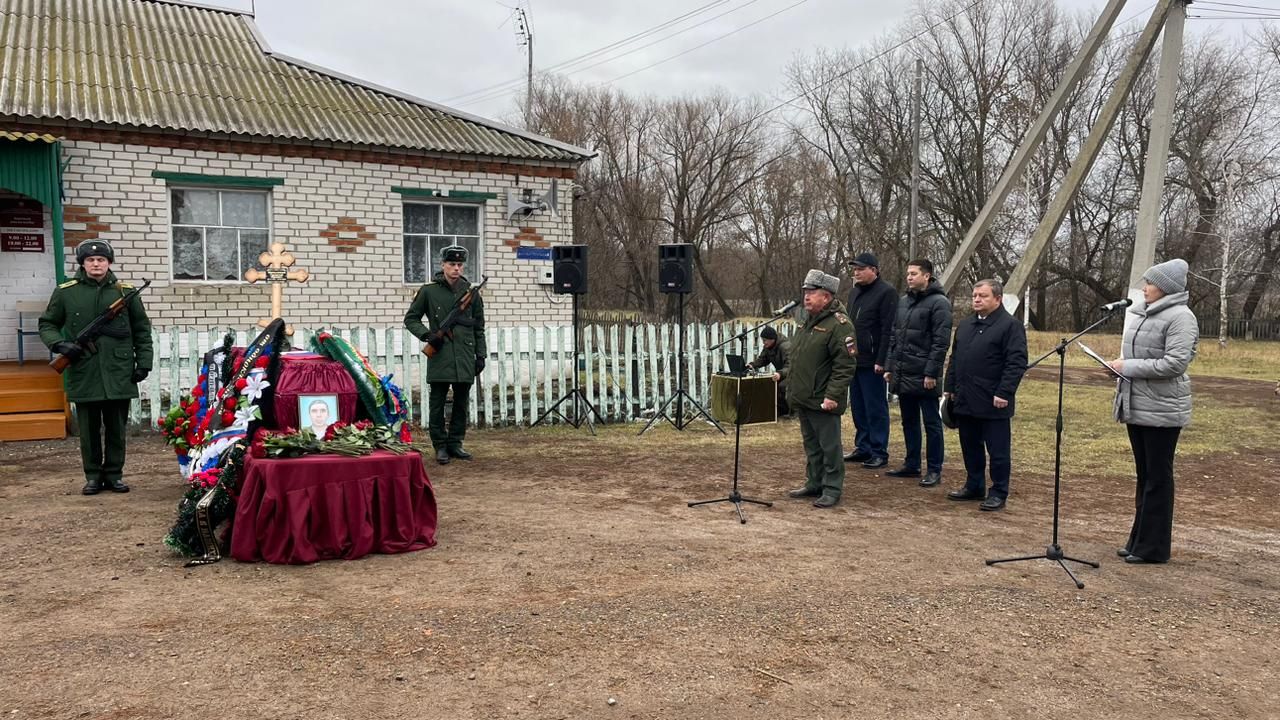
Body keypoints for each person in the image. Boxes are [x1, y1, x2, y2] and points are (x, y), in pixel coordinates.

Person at [38, 240, 153, 495]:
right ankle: (92, 476)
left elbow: (142, 330)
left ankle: (114, 475)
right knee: (88, 430)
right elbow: (47, 323)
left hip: (118, 369)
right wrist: (60, 345)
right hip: (84, 368)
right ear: (82, 264)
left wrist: (143, 363)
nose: (96, 264)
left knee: (116, 428)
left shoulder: (125, 292)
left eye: (101, 259)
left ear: (109, 262)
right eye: (90, 260)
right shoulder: (66, 291)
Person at [1108, 258, 1197, 564]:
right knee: (1144, 476)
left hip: (1163, 409)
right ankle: (1138, 540)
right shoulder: (1143, 313)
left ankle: (1154, 548)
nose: (1144, 288)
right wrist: (1117, 368)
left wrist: (1127, 367)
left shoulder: (1181, 318)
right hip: (1139, 403)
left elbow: (1175, 363)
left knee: (1158, 477)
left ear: (1166, 287)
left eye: (1150, 283)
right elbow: (1139, 355)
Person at [944, 279, 1028, 510]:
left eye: (983, 296)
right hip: (965, 397)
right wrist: (949, 387)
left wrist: (1004, 392)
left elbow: (1016, 362)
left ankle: (999, 491)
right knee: (970, 445)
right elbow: (955, 359)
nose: (977, 300)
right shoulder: (966, 325)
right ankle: (974, 485)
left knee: (998, 451)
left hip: (993, 400)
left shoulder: (1010, 326)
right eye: (975, 296)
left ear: (998, 299)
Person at [404, 245, 487, 465]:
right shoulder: (428, 291)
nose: (456, 268)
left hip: (464, 355)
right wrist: (427, 336)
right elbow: (411, 319)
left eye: (460, 265)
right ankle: (440, 445)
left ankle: (455, 443)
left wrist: (481, 354)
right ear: (443, 265)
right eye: (452, 264)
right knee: (437, 403)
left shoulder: (471, 293)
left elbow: (479, 326)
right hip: (440, 354)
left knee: (461, 403)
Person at [784, 269, 858, 508]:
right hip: (805, 395)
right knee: (812, 445)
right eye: (806, 292)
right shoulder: (808, 321)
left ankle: (832, 488)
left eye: (812, 293)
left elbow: (845, 365)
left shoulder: (840, 325)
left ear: (826, 297)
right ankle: (814, 482)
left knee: (830, 446)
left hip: (823, 398)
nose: (806, 296)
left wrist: (833, 396)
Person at [884, 258, 951, 485]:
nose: (909, 277)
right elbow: (895, 337)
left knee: (932, 423)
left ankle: (934, 469)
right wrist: (890, 366)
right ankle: (912, 464)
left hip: (924, 375)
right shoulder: (903, 302)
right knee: (908, 421)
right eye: (908, 274)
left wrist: (931, 373)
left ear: (927, 276)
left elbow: (941, 342)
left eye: (914, 273)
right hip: (903, 372)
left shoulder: (939, 303)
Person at [843, 252, 898, 467]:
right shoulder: (854, 292)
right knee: (858, 405)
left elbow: (888, 328)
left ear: (873, 270)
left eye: (860, 269)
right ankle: (863, 446)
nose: (856, 273)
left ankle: (879, 450)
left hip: (873, 359)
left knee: (875, 406)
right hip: (854, 358)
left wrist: (882, 359)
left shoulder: (887, 292)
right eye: (854, 269)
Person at [746, 325, 790, 417]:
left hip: (793, 374)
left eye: (765, 340)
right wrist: (753, 365)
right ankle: (775, 411)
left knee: (782, 385)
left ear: (772, 339)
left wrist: (780, 373)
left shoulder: (785, 347)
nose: (763, 343)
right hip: (781, 373)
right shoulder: (768, 347)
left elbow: (791, 366)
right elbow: (763, 359)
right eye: (763, 340)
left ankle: (788, 411)